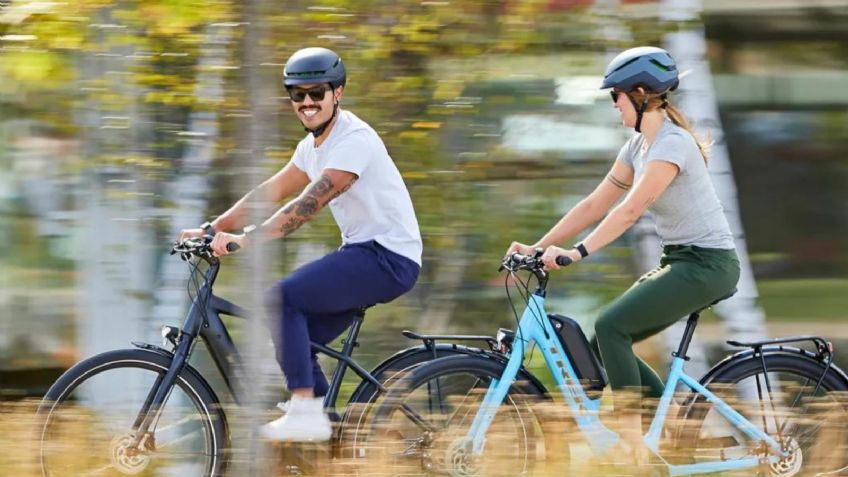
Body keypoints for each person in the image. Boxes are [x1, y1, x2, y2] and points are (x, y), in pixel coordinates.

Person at [505, 46, 740, 459]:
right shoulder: (637, 148)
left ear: (641, 92)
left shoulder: (672, 144)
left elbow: (631, 210)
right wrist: (539, 247)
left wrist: (576, 253)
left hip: (709, 264)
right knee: (604, 339)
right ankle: (665, 429)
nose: (613, 105)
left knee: (613, 326)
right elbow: (594, 205)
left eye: (615, 95)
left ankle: (633, 447)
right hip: (681, 261)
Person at [179, 47, 422, 442]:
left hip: (387, 257)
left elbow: (307, 205)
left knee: (281, 299)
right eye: (298, 94)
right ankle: (328, 429)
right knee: (294, 332)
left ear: (337, 93)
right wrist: (213, 227)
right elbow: (270, 191)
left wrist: (245, 240)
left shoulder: (353, 140)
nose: (307, 102)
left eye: (317, 92)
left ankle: (307, 411)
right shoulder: (310, 148)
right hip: (363, 253)